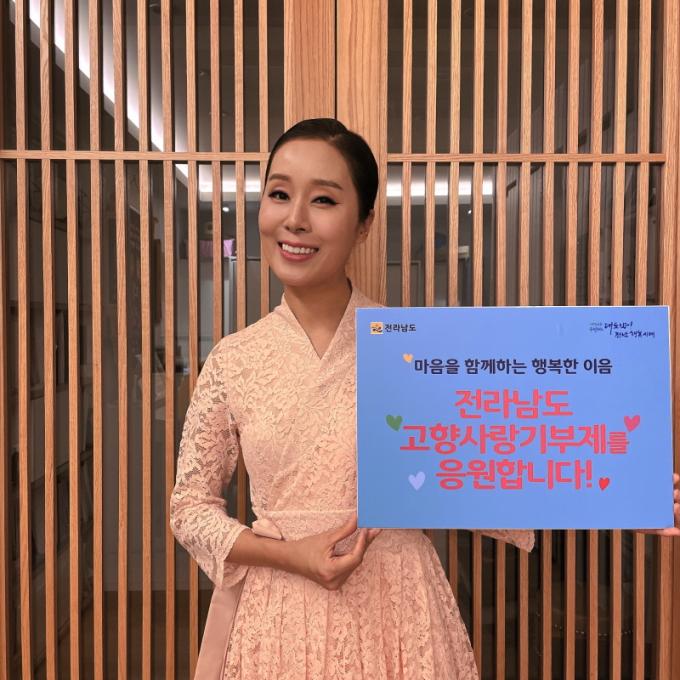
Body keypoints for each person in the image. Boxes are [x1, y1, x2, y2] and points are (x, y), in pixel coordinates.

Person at [169, 118, 680, 679]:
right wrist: (288, 554)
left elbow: (483, 471)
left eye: (324, 200)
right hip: (281, 610)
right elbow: (189, 509)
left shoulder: (416, 348)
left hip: (398, 601)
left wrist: (616, 492)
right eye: (279, 194)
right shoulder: (234, 359)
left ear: (364, 223)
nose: (295, 219)